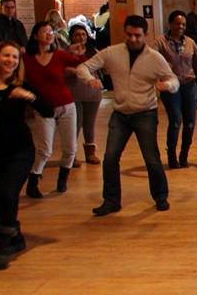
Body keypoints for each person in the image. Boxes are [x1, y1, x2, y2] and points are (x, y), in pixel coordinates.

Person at [76, 15, 179, 216]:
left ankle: (160, 196)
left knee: (151, 158)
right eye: (129, 35)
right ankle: (111, 200)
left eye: (137, 35)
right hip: (121, 113)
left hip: (145, 113)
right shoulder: (112, 53)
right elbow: (83, 67)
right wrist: (90, 80)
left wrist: (167, 85)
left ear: (145, 35)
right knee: (110, 158)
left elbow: (173, 79)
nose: (133, 39)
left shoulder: (155, 58)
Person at [0, 41, 54, 270]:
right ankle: (14, 233)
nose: (10, 60)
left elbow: (48, 110)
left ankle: (3, 241)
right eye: (6, 56)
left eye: (14, 57)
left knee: (8, 193)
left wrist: (29, 97)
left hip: (19, 151)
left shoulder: (22, 86)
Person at [23, 21, 88, 198]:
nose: (49, 34)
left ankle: (63, 179)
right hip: (43, 108)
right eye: (45, 31)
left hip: (66, 105)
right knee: (44, 148)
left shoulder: (59, 55)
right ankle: (34, 180)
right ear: (36, 35)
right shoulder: (27, 58)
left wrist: (81, 55)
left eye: (51, 31)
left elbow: (82, 66)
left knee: (70, 147)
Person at [152, 10, 197, 169]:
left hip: (189, 85)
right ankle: (171, 156)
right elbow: (149, 59)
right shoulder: (160, 42)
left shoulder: (190, 42)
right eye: (178, 23)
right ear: (170, 24)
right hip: (171, 87)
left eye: (184, 24)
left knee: (190, 123)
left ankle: (184, 155)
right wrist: (157, 79)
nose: (181, 26)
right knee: (176, 120)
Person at [63, 24, 102, 165]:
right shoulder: (66, 52)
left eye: (83, 34)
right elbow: (61, 71)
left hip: (93, 93)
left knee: (90, 124)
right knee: (75, 124)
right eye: (77, 34)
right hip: (74, 93)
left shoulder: (93, 51)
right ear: (72, 37)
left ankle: (90, 153)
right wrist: (73, 71)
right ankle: (71, 155)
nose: (81, 37)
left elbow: (101, 68)